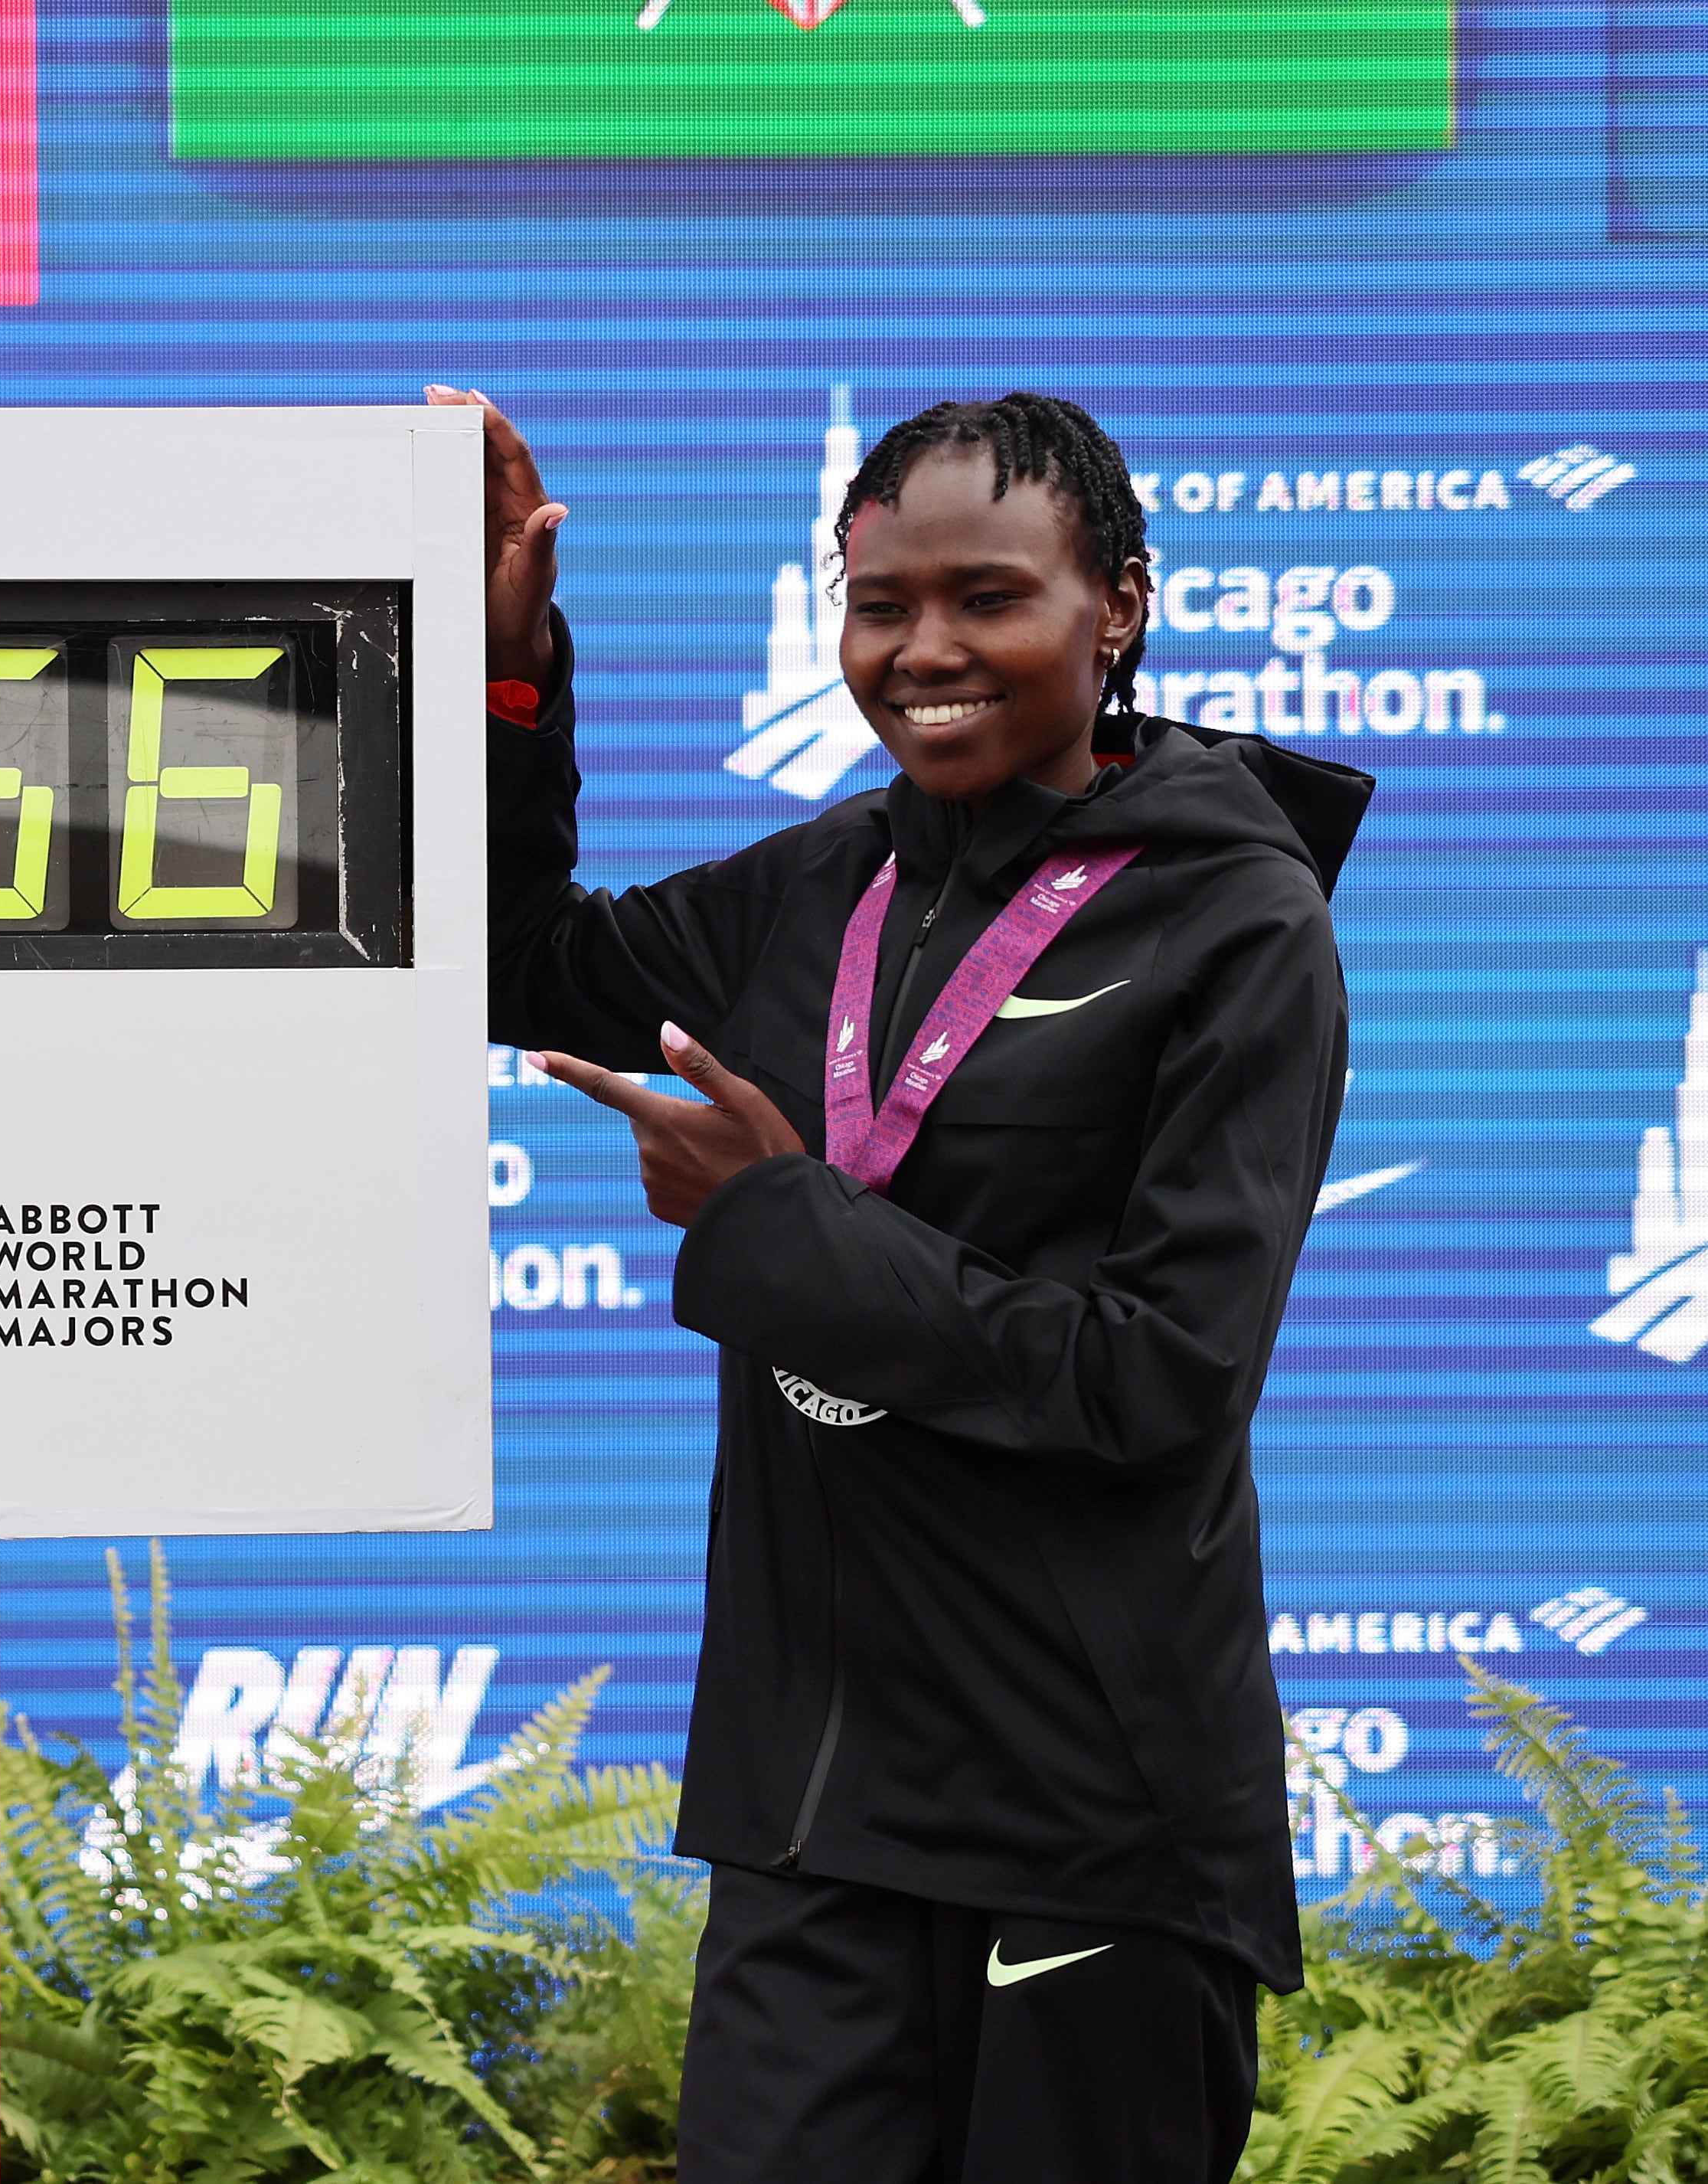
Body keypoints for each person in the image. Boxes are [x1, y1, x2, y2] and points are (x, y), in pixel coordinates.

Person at [435, 383, 1372, 2182]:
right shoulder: (819, 887)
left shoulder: (1240, 921)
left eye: (988, 598)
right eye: (882, 605)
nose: (924, 650)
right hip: (816, 1810)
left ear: (1116, 607)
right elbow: (507, 960)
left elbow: (1155, 1378)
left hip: (1089, 1816)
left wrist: (776, 1226)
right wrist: (506, 676)